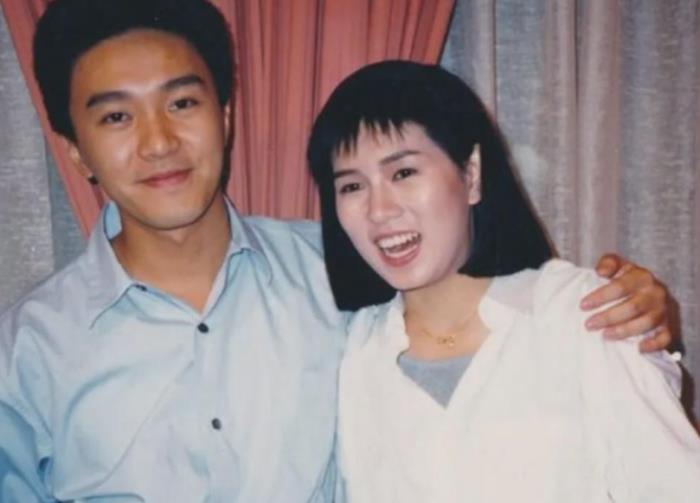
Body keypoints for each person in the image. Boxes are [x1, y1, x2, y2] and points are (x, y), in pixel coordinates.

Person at [0, 0, 676, 501]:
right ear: (75, 151)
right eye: (116, 116)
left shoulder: (340, 273)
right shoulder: (29, 350)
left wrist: (628, 312)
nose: (157, 142)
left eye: (181, 103)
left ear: (225, 117)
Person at [307, 60, 700, 502]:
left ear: (471, 174)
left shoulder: (584, 313)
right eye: (352, 187)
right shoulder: (353, 354)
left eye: (403, 173)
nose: (379, 210)